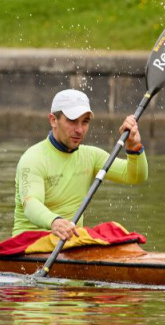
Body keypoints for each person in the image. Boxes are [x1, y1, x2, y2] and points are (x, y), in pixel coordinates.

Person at [12, 89, 147, 240]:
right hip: (27, 245)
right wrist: (54, 221)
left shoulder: (91, 156)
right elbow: (31, 205)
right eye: (72, 121)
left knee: (115, 232)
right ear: (53, 120)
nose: (79, 130)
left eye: (85, 122)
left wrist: (134, 145)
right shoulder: (33, 159)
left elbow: (134, 176)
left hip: (70, 243)